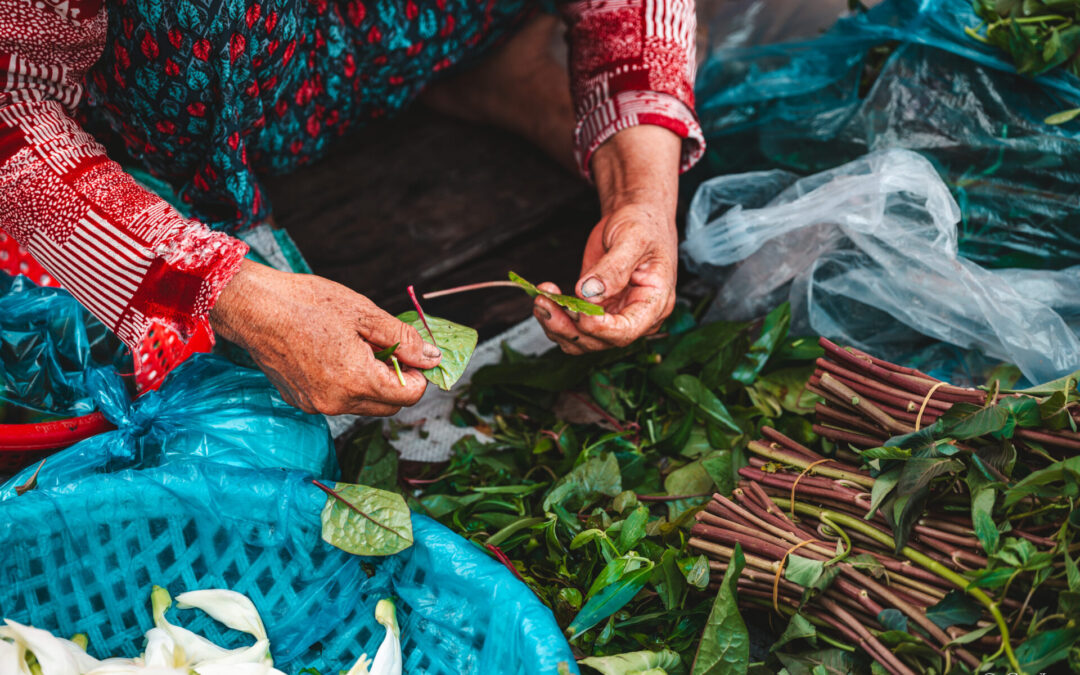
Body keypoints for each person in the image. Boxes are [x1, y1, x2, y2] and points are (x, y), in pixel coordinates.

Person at [0, 0, 703, 416]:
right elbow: (11, 110)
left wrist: (642, 192)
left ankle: (481, 66)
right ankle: (211, 198)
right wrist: (232, 291)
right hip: (179, 78)